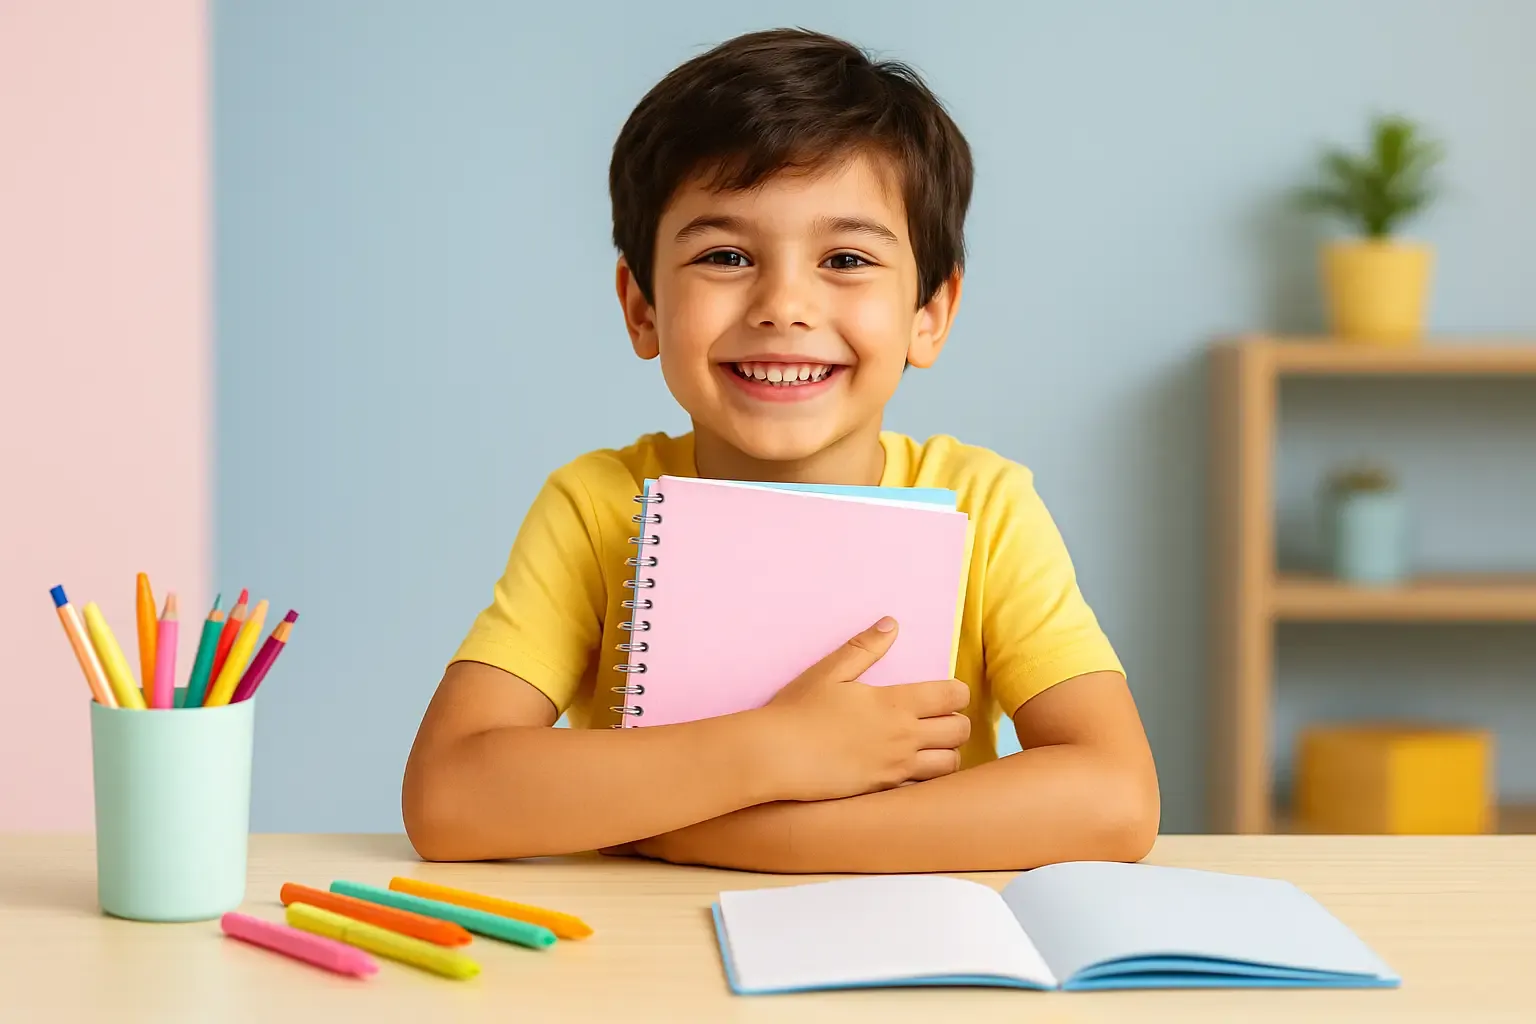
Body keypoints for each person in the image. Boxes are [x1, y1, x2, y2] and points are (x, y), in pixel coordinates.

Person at [402, 27, 1159, 872]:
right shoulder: (594, 505)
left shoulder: (986, 505)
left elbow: (1117, 798)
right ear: (641, 306)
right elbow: (450, 796)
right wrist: (776, 751)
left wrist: (750, 836)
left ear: (930, 314)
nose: (783, 304)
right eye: (725, 255)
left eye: (845, 258)